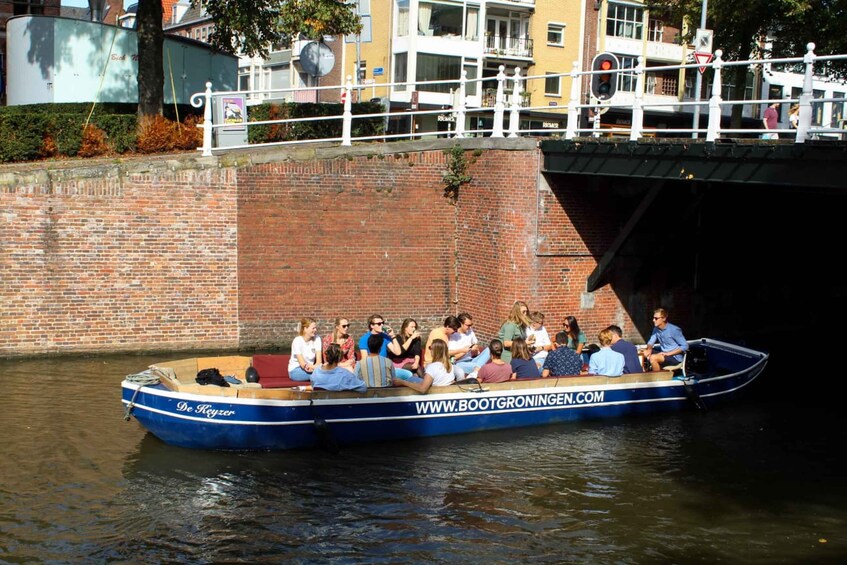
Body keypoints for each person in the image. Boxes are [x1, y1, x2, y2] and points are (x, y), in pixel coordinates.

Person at [358, 314, 414, 379]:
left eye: (382, 323)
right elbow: (365, 359)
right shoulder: (364, 339)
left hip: (384, 367)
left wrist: (393, 336)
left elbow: (398, 352)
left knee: (408, 374)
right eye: (379, 324)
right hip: (373, 368)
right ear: (372, 326)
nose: (382, 325)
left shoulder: (385, 336)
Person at [394, 339, 458, 393]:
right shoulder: (450, 365)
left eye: (430, 348)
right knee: (414, 378)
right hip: (444, 391)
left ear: (435, 351)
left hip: (434, 393)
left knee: (410, 379)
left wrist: (403, 382)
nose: (429, 350)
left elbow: (423, 389)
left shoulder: (432, 367)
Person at [644, 308, 689, 372]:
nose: (653, 320)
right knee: (643, 352)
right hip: (664, 354)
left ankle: (658, 379)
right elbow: (651, 342)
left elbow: (685, 346)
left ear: (664, 319)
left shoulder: (674, 330)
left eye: (656, 318)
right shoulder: (656, 329)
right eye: (653, 318)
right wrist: (649, 349)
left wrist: (668, 353)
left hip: (675, 357)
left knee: (653, 357)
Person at [288, 317, 323, 381]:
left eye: (315, 328)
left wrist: (315, 367)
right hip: (296, 370)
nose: (315, 330)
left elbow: (319, 362)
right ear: (305, 329)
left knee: (322, 373)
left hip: (312, 369)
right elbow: (302, 364)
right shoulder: (297, 341)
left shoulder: (317, 339)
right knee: (321, 375)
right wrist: (317, 368)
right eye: (313, 328)